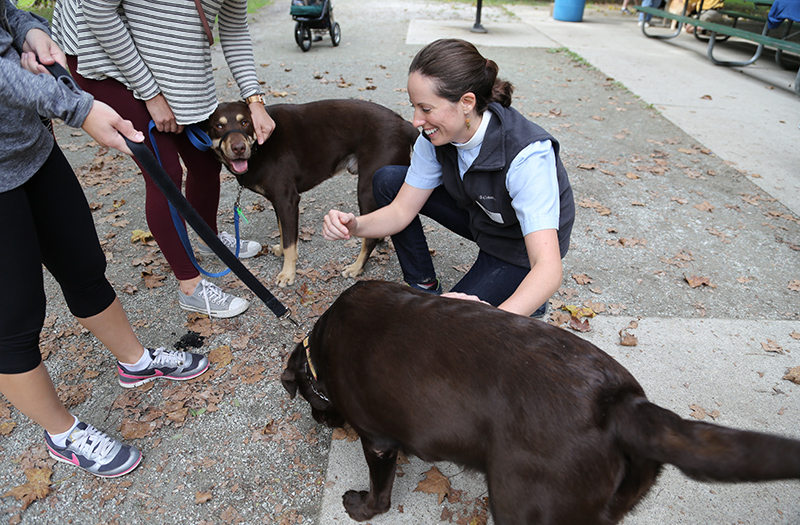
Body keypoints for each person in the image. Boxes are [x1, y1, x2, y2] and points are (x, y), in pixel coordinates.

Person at [1, 1, 209, 477]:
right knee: (12, 318)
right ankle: (62, 434)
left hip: (31, 150)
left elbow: (7, 13)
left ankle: (135, 362)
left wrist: (31, 30)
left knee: (83, 265)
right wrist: (80, 106)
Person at [51, 0, 276, 319]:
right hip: (105, 57)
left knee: (204, 160)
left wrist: (255, 100)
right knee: (164, 172)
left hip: (166, 60)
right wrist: (151, 94)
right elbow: (99, 12)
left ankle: (208, 237)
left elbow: (234, 25)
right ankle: (191, 287)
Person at [322, 39, 575, 318]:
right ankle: (424, 285)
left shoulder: (526, 156)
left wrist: (497, 319)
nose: (416, 120)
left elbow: (549, 268)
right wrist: (354, 225)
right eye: (414, 107)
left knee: (449, 322)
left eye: (426, 109)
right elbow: (400, 211)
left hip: (519, 245)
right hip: (482, 215)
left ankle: (529, 298)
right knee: (388, 180)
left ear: (467, 102)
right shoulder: (435, 138)